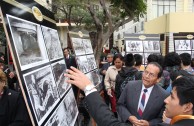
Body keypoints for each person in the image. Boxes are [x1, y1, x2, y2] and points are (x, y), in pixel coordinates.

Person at [64, 67, 194, 126]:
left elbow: (110, 122)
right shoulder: (131, 86)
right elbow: (120, 105)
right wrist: (129, 117)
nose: (166, 99)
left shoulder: (162, 94)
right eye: (145, 72)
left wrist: (88, 88)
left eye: (172, 97)